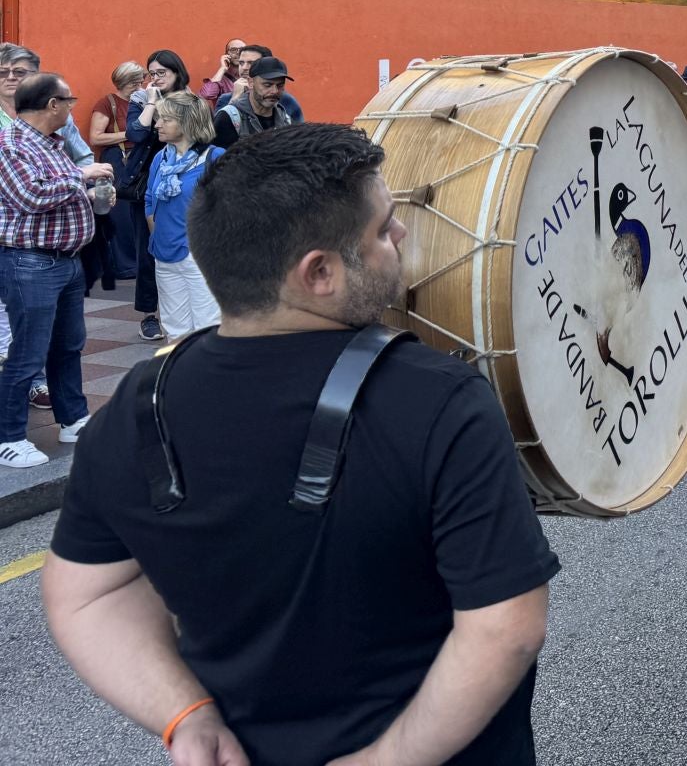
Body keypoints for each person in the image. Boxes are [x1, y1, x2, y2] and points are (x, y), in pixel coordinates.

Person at [42, 123, 557, 763]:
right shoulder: (440, 400)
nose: (400, 237)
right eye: (383, 229)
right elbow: (504, 627)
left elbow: (89, 592)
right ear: (320, 273)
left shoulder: (137, 402)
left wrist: (186, 716)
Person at [0, 74, 117, 468]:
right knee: (28, 353)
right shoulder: (11, 144)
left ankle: (72, 418)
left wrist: (90, 196)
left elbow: (56, 191)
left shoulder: (51, 144)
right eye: (69, 100)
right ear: (53, 105)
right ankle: (9, 436)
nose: (72, 107)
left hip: (66, 260)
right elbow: (31, 196)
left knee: (68, 346)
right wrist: (80, 177)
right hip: (30, 261)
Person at [143, 93, 224, 340]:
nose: (157, 124)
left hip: (200, 256)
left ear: (188, 122)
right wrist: (157, 234)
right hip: (165, 254)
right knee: (174, 329)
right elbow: (149, 199)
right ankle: (178, 376)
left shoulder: (216, 158)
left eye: (166, 119)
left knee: (207, 327)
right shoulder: (161, 158)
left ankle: (207, 378)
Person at [125, 50, 191, 343]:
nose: (156, 78)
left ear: (177, 72)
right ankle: (149, 315)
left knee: (184, 245)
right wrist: (152, 101)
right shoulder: (141, 99)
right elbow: (136, 134)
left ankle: (181, 307)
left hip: (183, 182)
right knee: (147, 248)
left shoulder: (191, 100)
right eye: (152, 73)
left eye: (162, 72)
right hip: (146, 183)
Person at [83, 62, 144, 293]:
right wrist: (131, 134)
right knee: (119, 214)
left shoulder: (143, 101)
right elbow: (95, 137)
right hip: (118, 159)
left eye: (140, 81)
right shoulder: (107, 103)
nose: (138, 85)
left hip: (138, 159)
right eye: (134, 82)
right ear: (122, 82)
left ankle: (137, 263)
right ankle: (124, 266)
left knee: (136, 214)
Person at [212, 55, 295, 148]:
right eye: (267, 85)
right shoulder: (228, 118)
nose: (275, 91)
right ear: (251, 83)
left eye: (280, 86)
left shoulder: (286, 120)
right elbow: (216, 159)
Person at [214, 45, 305, 124]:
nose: (244, 68)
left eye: (251, 63)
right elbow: (216, 136)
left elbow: (299, 137)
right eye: (241, 63)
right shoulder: (226, 99)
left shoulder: (286, 101)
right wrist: (235, 99)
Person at [196, 39, 249, 106]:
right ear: (226, 55)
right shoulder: (220, 80)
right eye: (233, 50)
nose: (238, 53)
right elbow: (206, 95)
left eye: (242, 49)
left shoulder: (252, 77)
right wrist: (222, 68)